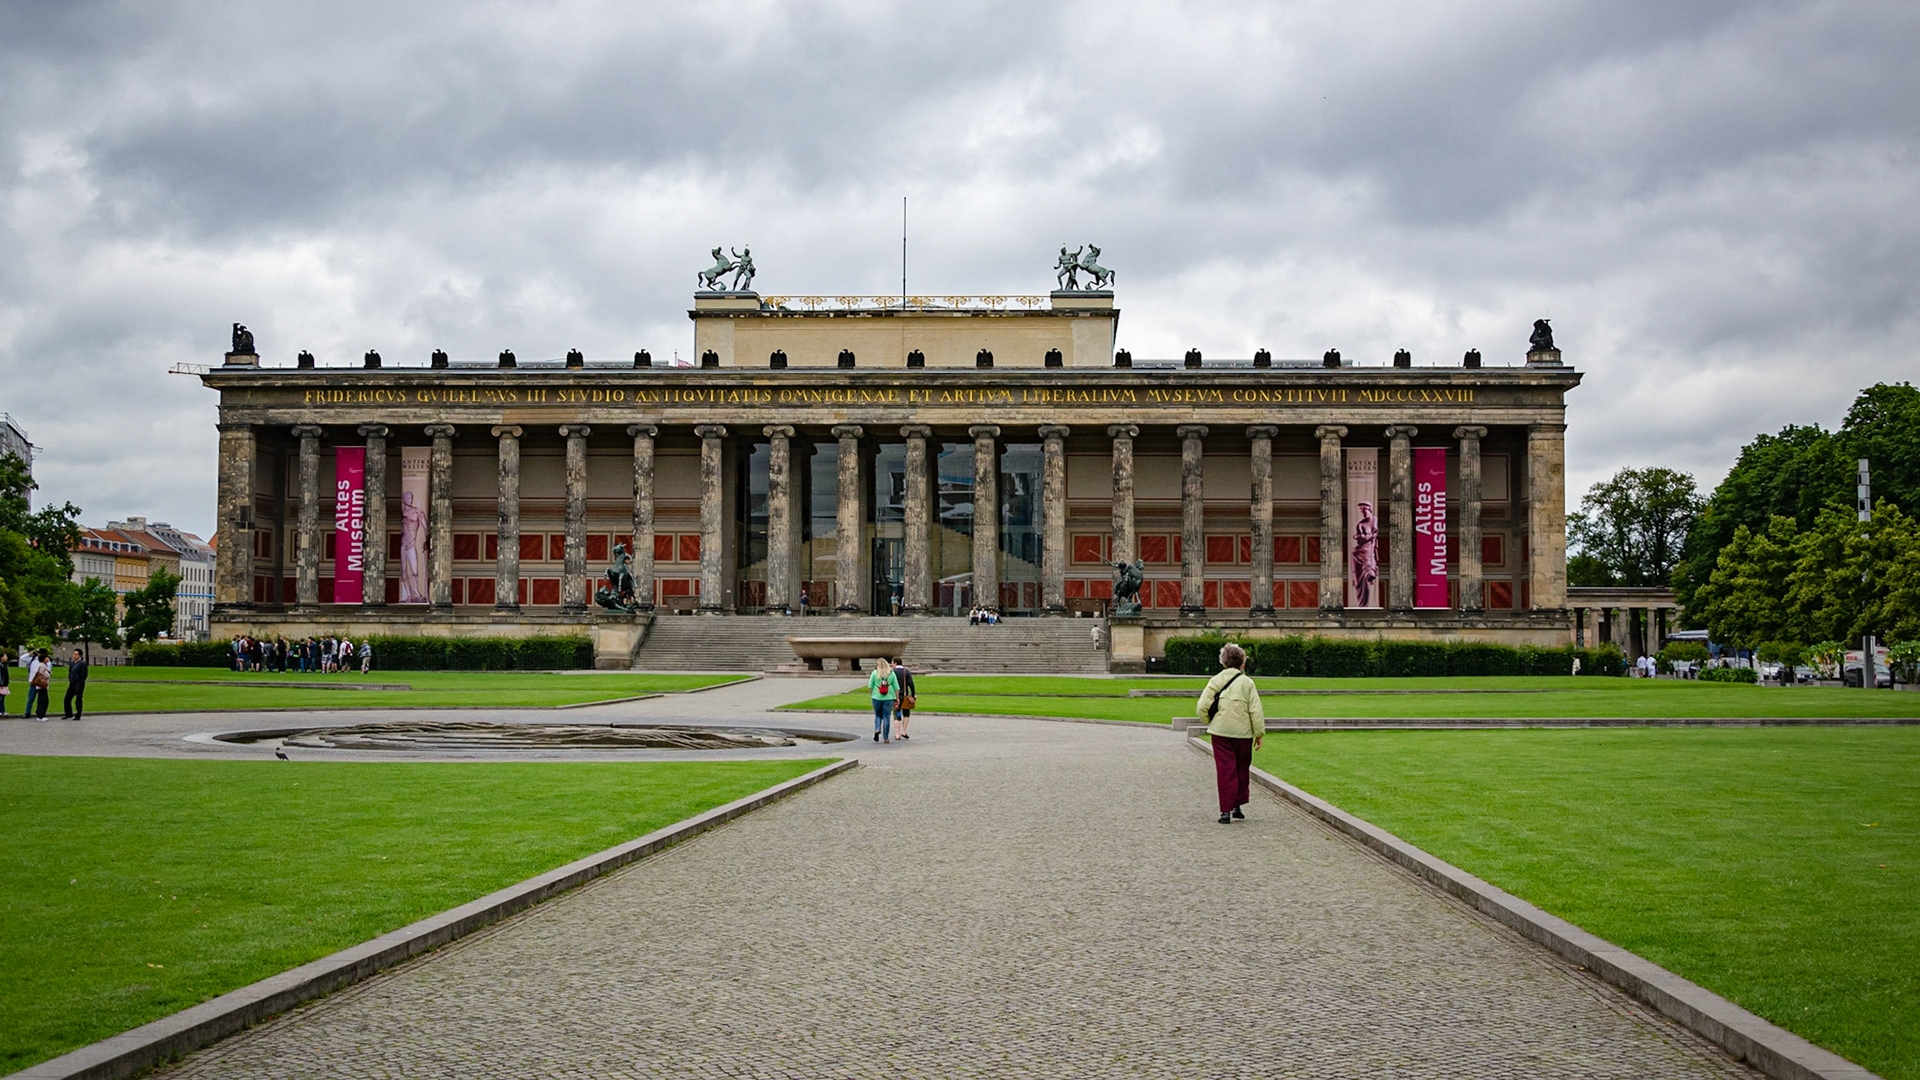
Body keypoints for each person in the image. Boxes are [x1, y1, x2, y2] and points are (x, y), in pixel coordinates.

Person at [1197, 642, 1265, 825]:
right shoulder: (1248, 683)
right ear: (1242, 663)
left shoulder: (1216, 680)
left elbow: (1202, 706)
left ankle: (1225, 811)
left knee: (1225, 770)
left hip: (1220, 733)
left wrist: (1209, 721)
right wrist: (1258, 733)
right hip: (1243, 734)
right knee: (1241, 769)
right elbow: (1255, 710)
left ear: (1223, 662)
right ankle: (1237, 806)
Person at [868, 657, 898, 743]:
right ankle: (886, 737)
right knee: (886, 717)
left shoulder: (874, 673)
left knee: (878, 715)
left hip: (876, 697)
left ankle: (877, 728)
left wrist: (872, 693)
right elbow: (896, 687)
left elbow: (870, 686)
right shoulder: (891, 673)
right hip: (889, 697)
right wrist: (897, 698)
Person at [61, 649, 88, 721]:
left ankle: (78, 714)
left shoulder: (82, 664)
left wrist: (79, 682)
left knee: (78, 699)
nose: (74, 655)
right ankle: (68, 714)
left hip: (78, 684)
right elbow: (70, 672)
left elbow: (83, 675)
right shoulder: (72, 663)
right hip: (72, 683)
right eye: (74, 654)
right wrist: (70, 678)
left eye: (76, 654)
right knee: (67, 698)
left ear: (80, 655)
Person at [892, 658, 916, 739]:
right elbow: (911, 684)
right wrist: (913, 695)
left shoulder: (893, 672)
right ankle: (904, 731)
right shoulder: (906, 672)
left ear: (895, 663)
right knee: (906, 713)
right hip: (905, 696)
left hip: (896, 696)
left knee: (896, 714)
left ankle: (897, 734)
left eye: (892, 663)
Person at [25, 649, 52, 721]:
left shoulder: (45, 664)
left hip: (38, 683)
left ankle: (39, 714)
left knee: (41, 699)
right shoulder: (38, 662)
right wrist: (30, 653)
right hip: (39, 683)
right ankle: (39, 715)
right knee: (40, 700)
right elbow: (46, 674)